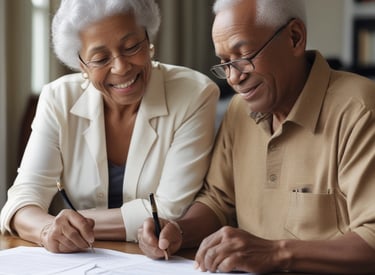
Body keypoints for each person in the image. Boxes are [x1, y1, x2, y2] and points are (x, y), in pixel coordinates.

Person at [138, 0, 375, 273]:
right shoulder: (239, 111)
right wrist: (178, 231)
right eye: (225, 62)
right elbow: (218, 201)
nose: (233, 78)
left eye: (244, 55)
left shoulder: (359, 111)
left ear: (295, 38)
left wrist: (276, 253)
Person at [0, 0, 219, 253]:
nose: (121, 67)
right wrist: (50, 230)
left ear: (148, 40)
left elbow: (171, 209)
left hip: (156, 259)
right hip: (78, 262)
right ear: (82, 65)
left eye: (131, 47)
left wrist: (72, 221)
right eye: (100, 58)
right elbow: (22, 199)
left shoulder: (195, 94)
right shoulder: (58, 98)